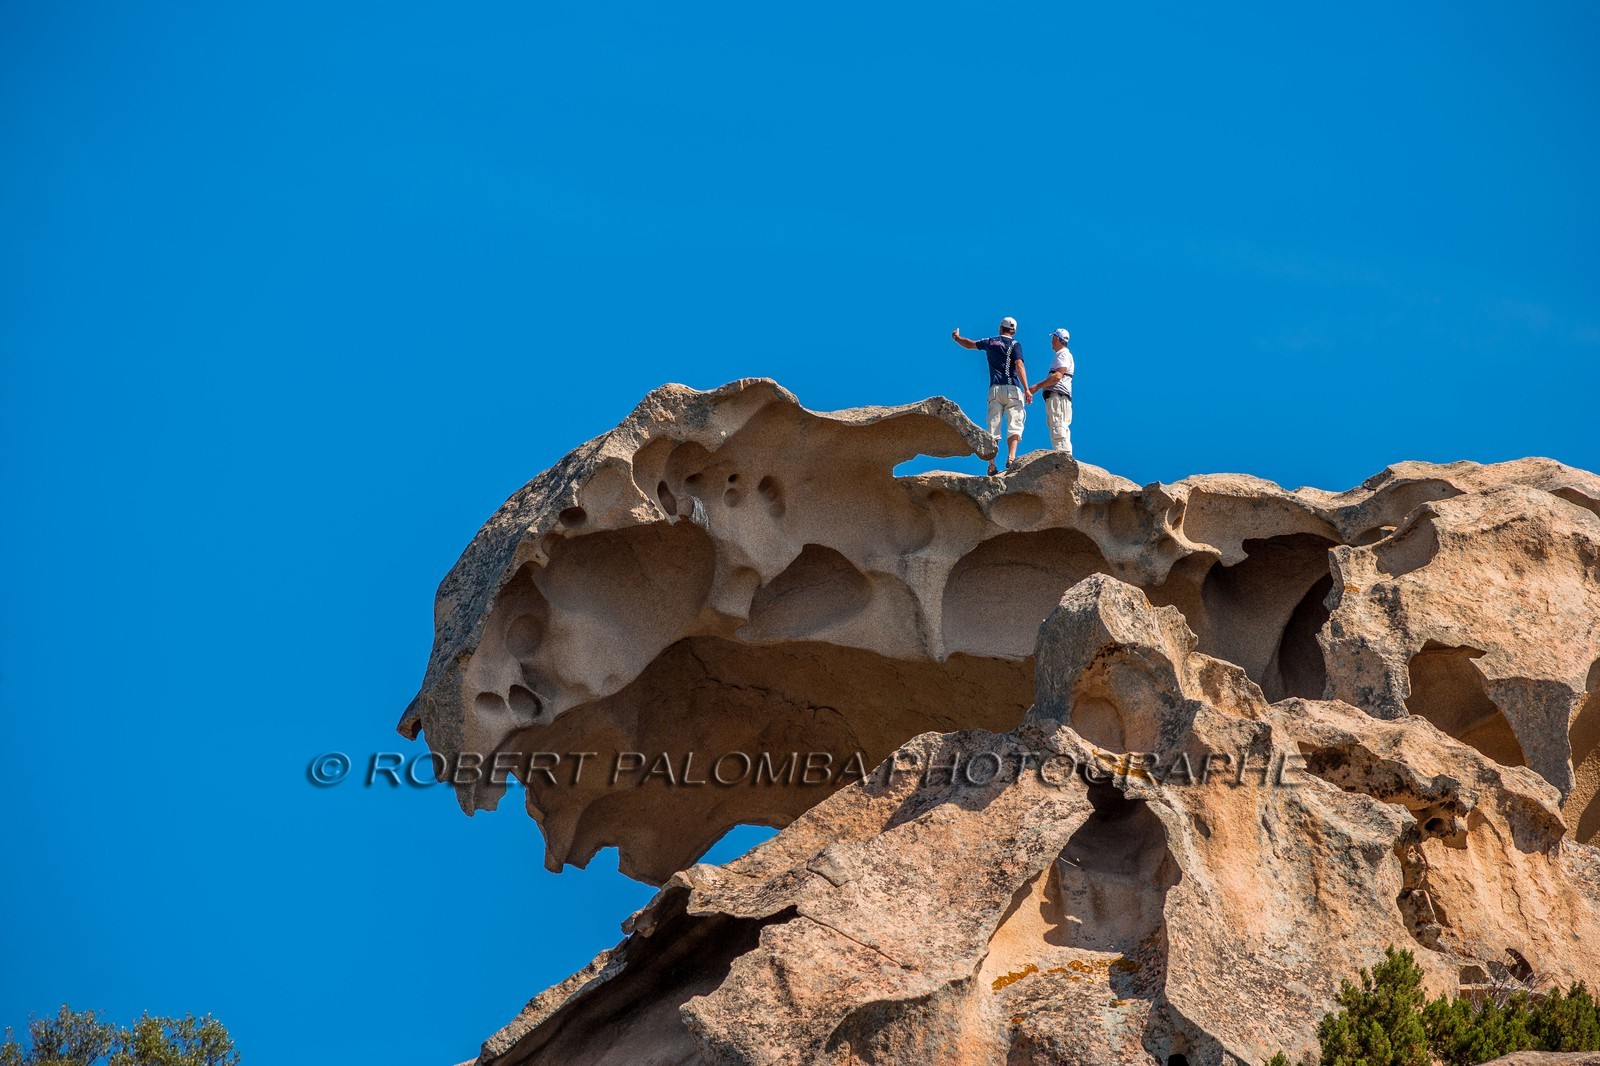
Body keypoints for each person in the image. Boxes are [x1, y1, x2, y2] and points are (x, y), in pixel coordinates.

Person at [951, 316, 1031, 475]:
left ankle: (991, 465)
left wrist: (956, 337)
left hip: (995, 389)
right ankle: (1012, 457)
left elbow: (969, 344)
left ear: (1000, 328)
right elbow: (1019, 364)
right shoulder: (1015, 345)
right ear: (1014, 331)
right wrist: (1027, 389)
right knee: (1015, 423)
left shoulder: (990, 341)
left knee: (993, 426)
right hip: (1012, 388)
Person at [1029, 327, 1074, 456]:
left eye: (1053, 338)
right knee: (1060, 427)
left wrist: (1037, 386)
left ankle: (1063, 459)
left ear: (1058, 339)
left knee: (1058, 426)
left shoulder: (1063, 354)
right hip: (1060, 397)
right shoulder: (1063, 354)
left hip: (1057, 396)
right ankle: (1065, 456)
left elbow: (1057, 376)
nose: (1052, 341)